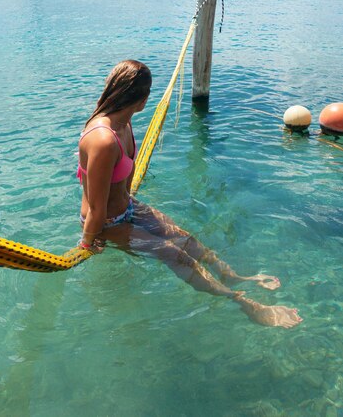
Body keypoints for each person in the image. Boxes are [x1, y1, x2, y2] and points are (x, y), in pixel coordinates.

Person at [76, 60, 302, 328]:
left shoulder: (124, 123)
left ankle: (235, 277)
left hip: (128, 208)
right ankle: (242, 302)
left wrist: (132, 206)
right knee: (175, 254)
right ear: (143, 99)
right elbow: (97, 209)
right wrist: (87, 244)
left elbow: (121, 184)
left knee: (186, 240)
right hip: (106, 223)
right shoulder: (102, 139)